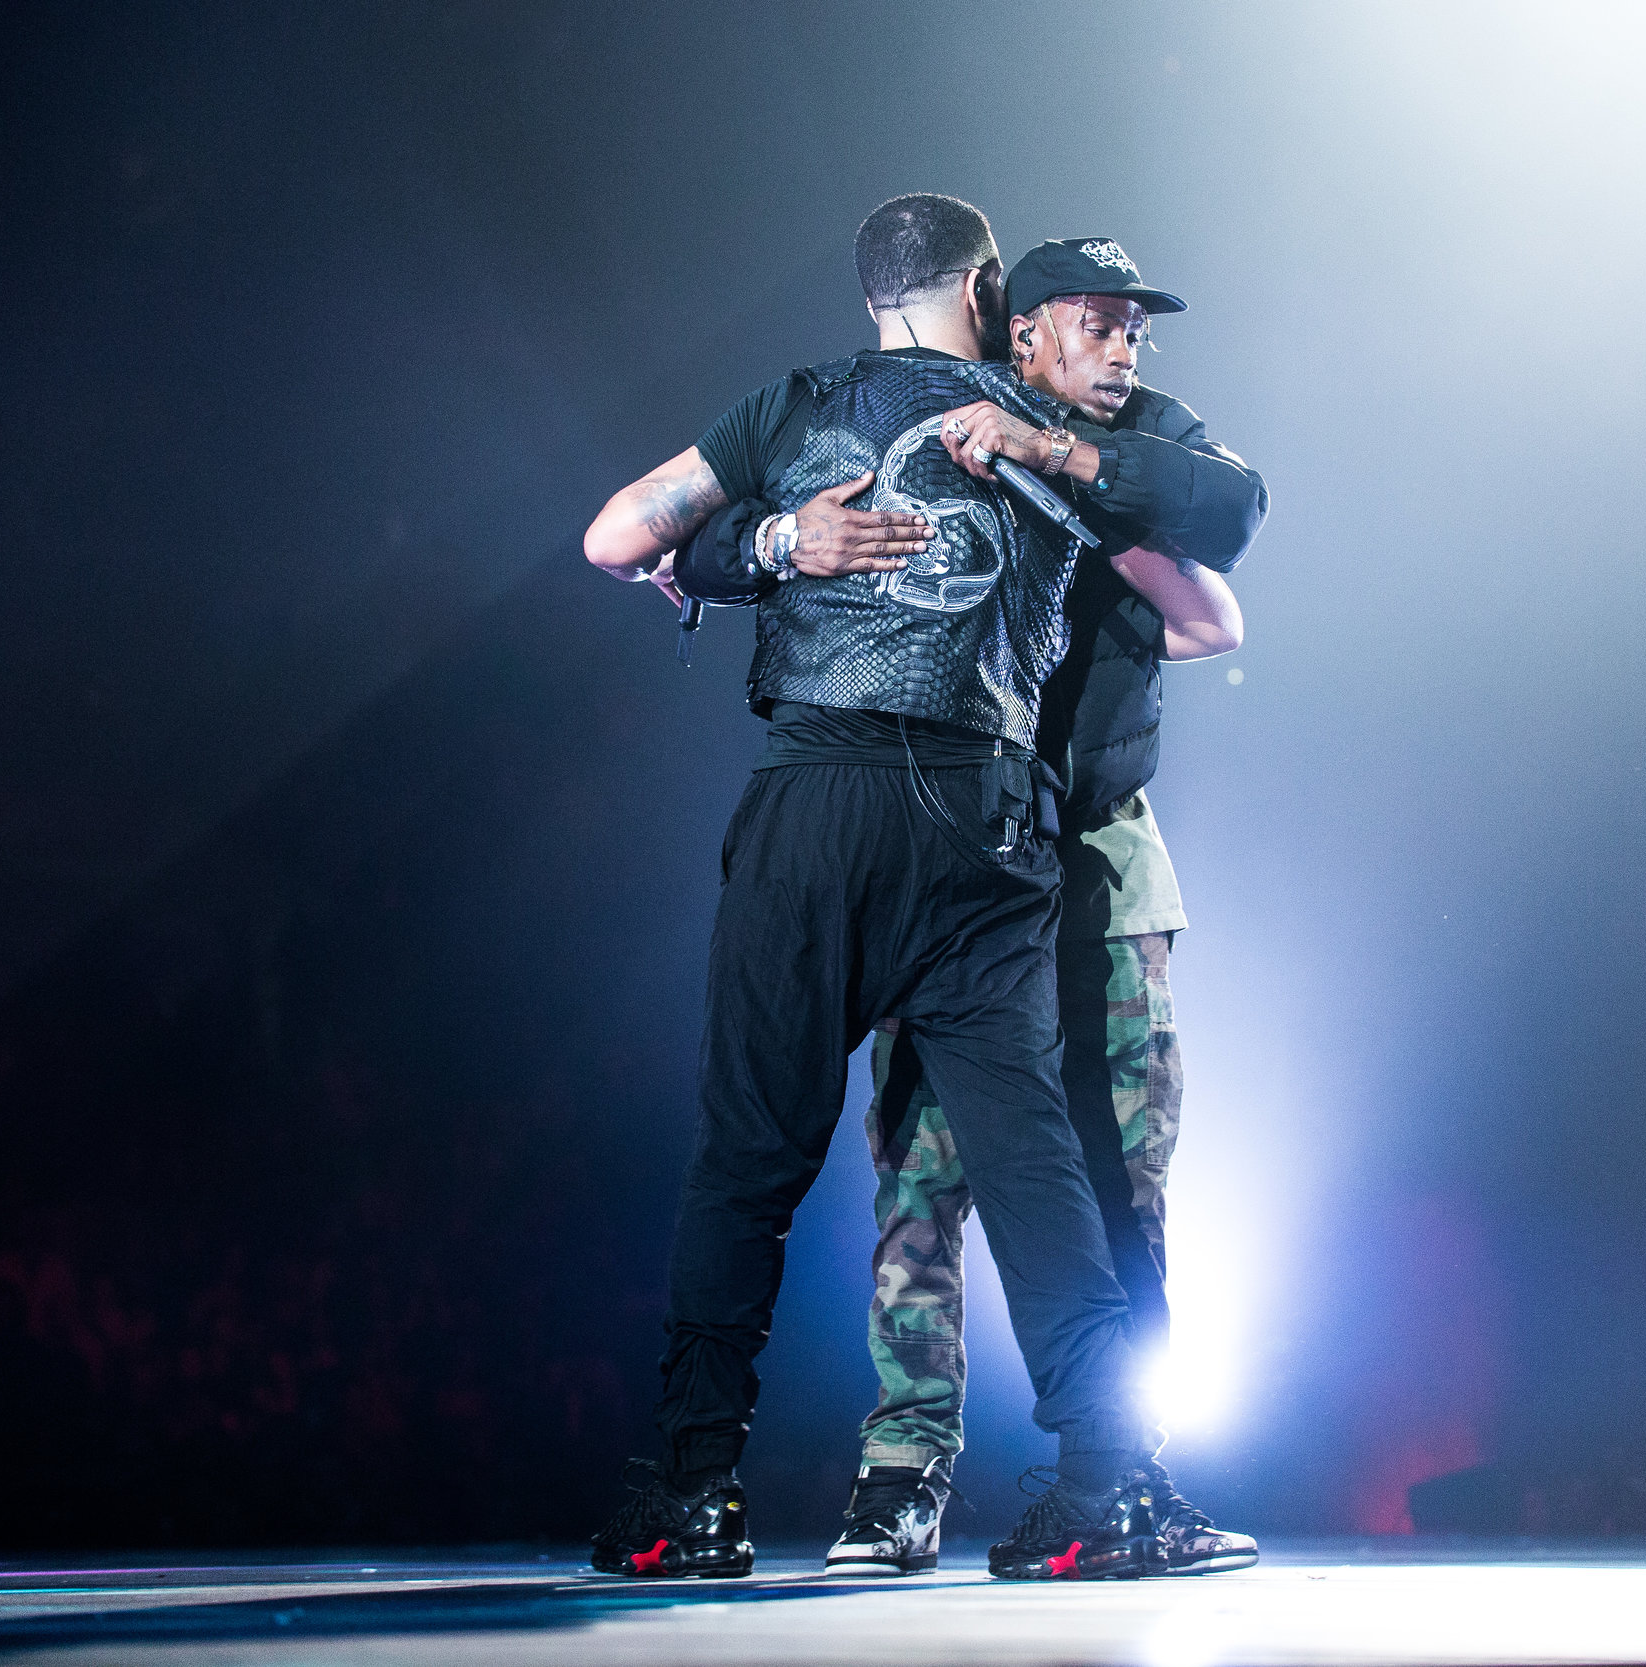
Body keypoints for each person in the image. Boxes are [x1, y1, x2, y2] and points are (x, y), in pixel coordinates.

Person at [579, 195, 1232, 1581]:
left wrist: (772, 546)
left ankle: (689, 1497)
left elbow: (617, 538)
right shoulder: (1048, 423)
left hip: (816, 806)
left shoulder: (792, 406)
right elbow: (1214, 575)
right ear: (990, 295)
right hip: (985, 823)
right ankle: (1104, 1489)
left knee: (750, 1160)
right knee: (1036, 1170)